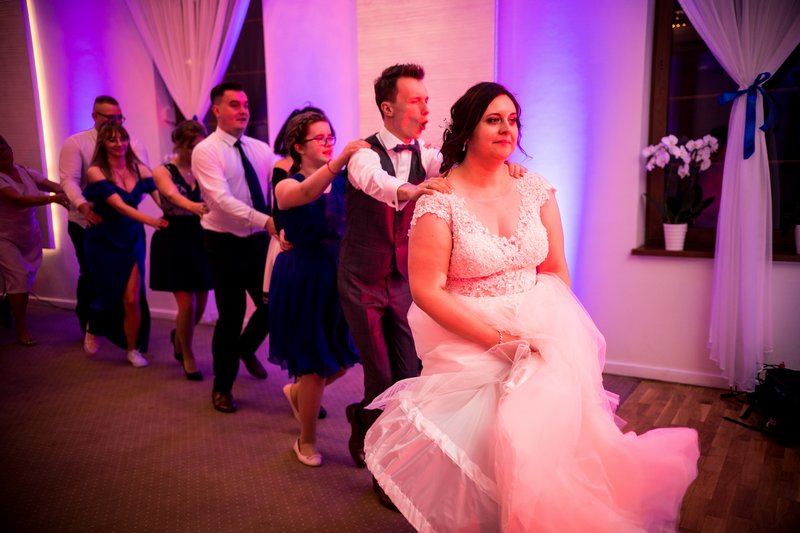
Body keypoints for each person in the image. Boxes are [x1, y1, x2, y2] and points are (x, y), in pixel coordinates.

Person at [364, 82, 700, 531]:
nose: (507, 129)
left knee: (550, 442)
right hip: (469, 336)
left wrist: (549, 328)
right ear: (467, 130)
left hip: (540, 328)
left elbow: (556, 269)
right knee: (490, 445)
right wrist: (500, 340)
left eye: (513, 120)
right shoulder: (439, 201)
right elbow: (427, 290)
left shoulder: (536, 188)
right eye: (493, 120)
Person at [338, 63, 451, 477]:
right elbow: (375, 182)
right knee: (381, 374)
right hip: (361, 278)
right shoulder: (362, 154)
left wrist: (509, 169)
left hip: (402, 279)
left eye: (427, 100)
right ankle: (382, 469)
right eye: (416, 101)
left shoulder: (427, 155)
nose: (426, 109)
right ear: (388, 108)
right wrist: (412, 190)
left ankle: (365, 421)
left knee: (409, 373)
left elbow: (463, 169)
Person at [268, 111, 367, 467]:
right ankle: (305, 440)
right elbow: (306, 192)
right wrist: (340, 161)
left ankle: (297, 392)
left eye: (331, 137)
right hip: (304, 276)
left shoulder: (344, 182)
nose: (328, 143)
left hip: (337, 272)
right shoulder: (286, 184)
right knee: (313, 364)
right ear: (298, 146)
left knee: (344, 354)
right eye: (319, 138)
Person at [192, 81, 277, 414]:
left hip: (258, 242)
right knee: (231, 315)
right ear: (216, 110)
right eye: (234, 105)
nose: (243, 110)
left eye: (245, 104)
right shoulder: (206, 151)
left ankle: (246, 347)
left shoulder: (261, 149)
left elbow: (277, 185)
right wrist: (266, 221)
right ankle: (222, 388)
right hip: (223, 242)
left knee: (273, 305)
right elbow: (220, 201)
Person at [59, 95, 149, 350]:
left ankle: (130, 341)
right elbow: (69, 180)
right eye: (110, 117)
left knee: (132, 283)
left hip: (126, 225)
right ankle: (91, 325)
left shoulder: (133, 143)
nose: (116, 122)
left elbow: (144, 178)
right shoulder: (76, 143)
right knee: (95, 277)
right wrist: (82, 205)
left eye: (120, 117)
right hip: (89, 222)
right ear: (94, 116)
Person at [83, 122, 167, 368]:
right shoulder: (96, 171)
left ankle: (133, 349)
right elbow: (119, 206)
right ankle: (93, 326)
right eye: (112, 140)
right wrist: (152, 221)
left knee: (132, 299)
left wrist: (176, 212)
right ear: (102, 143)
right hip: (103, 238)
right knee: (106, 294)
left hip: (131, 237)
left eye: (123, 138)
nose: (119, 144)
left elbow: (162, 199)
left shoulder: (140, 168)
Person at [150, 120, 212, 381]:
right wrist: (194, 206)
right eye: (191, 147)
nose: (196, 151)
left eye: (200, 146)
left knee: (200, 305)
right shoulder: (163, 171)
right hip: (174, 237)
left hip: (201, 237)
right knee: (187, 305)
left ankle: (178, 337)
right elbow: (171, 194)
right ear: (179, 145)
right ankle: (187, 354)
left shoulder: (205, 168)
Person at [0, 135, 69, 346]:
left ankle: (7, 307)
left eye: (5, 149)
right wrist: (53, 199)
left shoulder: (24, 170)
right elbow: (18, 200)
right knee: (19, 278)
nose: (4, 154)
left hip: (29, 233)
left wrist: (74, 190)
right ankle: (21, 328)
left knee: (26, 278)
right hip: (4, 237)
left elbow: (51, 185)